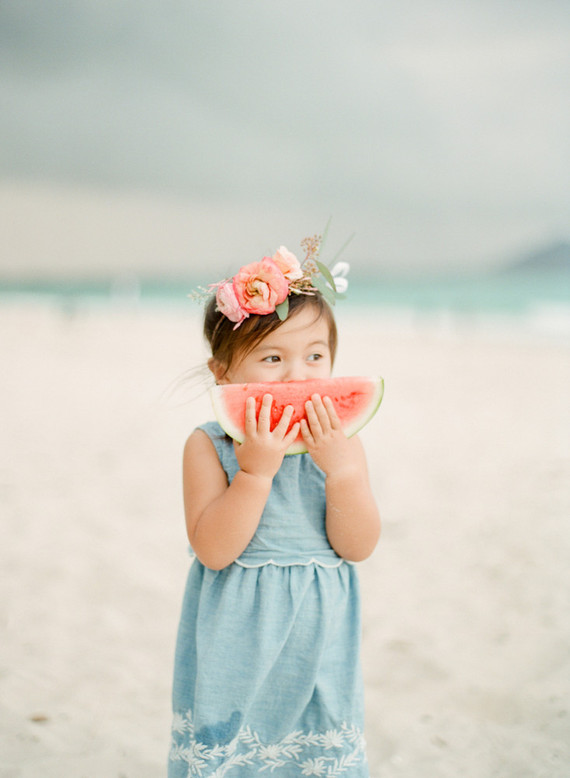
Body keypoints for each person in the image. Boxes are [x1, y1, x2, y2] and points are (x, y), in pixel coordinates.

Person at [168, 241, 380, 776]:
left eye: (314, 356)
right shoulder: (209, 444)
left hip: (320, 636)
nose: (298, 377)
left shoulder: (342, 446)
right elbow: (214, 550)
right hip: (238, 634)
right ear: (224, 375)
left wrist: (344, 472)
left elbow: (358, 546)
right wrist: (256, 474)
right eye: (272, 358)